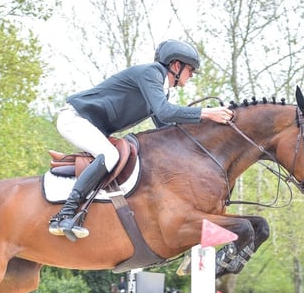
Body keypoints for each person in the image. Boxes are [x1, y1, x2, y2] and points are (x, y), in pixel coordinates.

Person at [48, 39, 234, 241]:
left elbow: (165, 128)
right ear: (176, 65)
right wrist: (206, 113)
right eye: (190, 70)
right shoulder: (151, 73)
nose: (191, 75)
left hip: (89, 123)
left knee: (114, 155)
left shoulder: (160, 88)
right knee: (109, 155)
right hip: (75, 118)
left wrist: (207, 136)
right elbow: (165, 113)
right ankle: (65, 215)